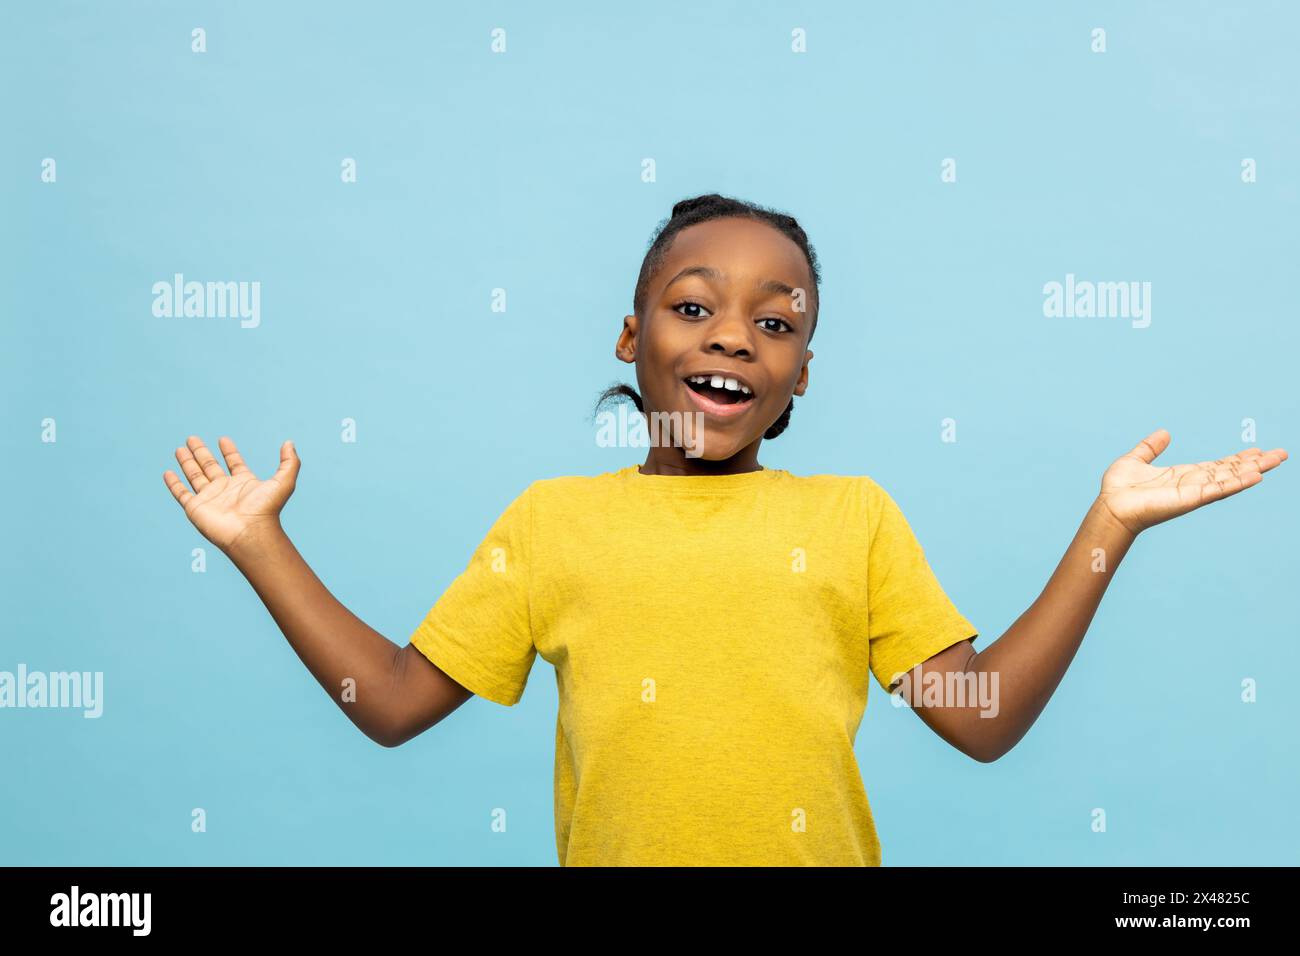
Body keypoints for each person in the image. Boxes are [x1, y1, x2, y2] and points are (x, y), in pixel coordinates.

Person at [161, 193, 1288, 866]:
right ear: (628, 337)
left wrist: (1110, 525)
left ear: (800, 375)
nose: (735, 336)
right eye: (693, 305)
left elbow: (980, 721)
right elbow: (398, 703)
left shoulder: (851, 516)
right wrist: (261, 542)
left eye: (776, 320)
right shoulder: (553, 521)